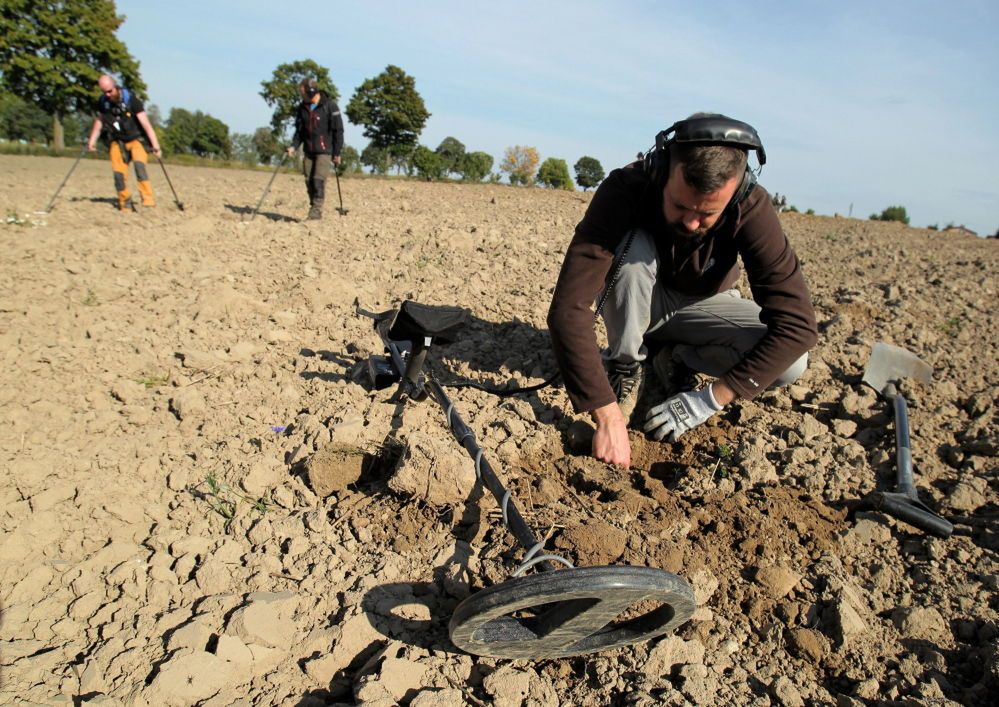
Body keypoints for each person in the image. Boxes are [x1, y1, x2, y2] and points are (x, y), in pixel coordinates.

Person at [548, 113, 818, 469]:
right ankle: (624, 366)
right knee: (633, 249)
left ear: (737, 190)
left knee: (791, 365)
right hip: (634, 297)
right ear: (662, 169)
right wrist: (607, 414)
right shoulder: (626, 187)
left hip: (701, 306)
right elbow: (569, 308)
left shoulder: (751, 207)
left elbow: (797, 327)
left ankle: (675, 358)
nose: (691, 222)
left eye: (707, 214)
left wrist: (708, 400)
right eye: (679, 205)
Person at [86, 74, 161, 211]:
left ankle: (148, 200)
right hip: (118, 141)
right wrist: (92, 140)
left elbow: (145, 124)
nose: (108, 94)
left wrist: (155, 145)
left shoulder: (132, 100)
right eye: (104, 92)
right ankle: (124, 202)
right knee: (118, 175)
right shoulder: (104, 103)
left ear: (116, 86)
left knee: (140, 168)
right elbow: (100, 121)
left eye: (110, 91)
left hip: (136, 139)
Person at [287, 78, 344, 220]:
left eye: (303, 93)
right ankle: (314, 205)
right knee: (308, 180)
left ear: (311, 92)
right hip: (308, 150)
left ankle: (316, 210)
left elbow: (338, 131)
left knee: (318, 179)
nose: (302, 96)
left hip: (324, 150)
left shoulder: (330, 106)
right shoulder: (302, 109)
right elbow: (299, 131)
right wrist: (294, 146)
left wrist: (337, 152)